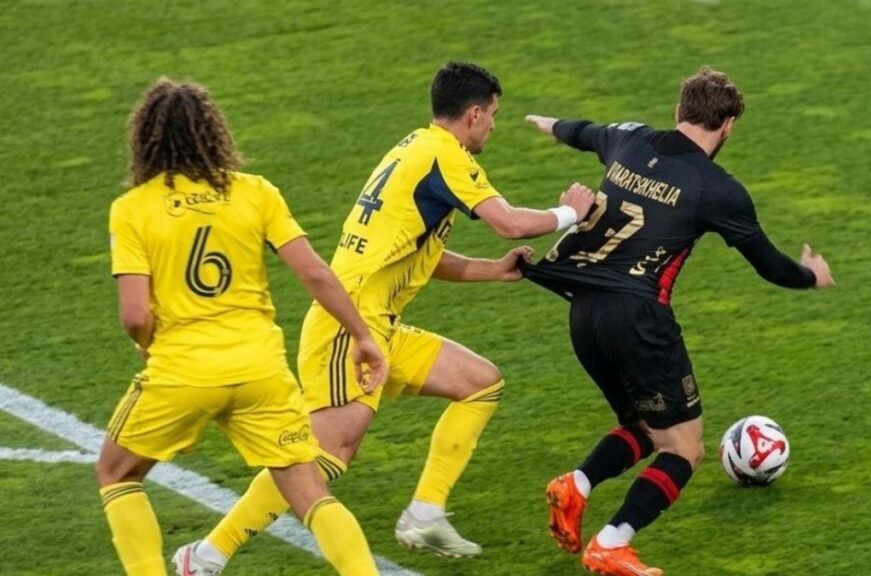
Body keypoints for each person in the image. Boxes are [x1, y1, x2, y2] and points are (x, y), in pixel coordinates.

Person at [174, 61, 596, 573]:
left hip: (377, 325)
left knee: (480, 383)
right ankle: (206, 555)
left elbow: (420, 253)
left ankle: (425, 512)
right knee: (324, 457)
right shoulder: (445, 154)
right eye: (493, 116)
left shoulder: (414, 149)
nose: (493, 126)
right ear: (474, 113)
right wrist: (571, 213)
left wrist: (492, 271)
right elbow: (508, 222)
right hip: (348, 326)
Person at [521, 66, 835, 576]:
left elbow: (583, 131)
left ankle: (576, 485)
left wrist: (547, 123)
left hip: (583, 312)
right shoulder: (718, 189)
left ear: (678, 110)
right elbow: (769, 266)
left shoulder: (630, 139)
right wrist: (811, 276)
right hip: (638, 318)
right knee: (685, 449)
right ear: (728, 126)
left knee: (645, 427)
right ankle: (611, 543)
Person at [95, 77, 389, 576]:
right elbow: (316, 274)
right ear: (214, 132)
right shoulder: (255, 193)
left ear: (145, 139)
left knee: (117, 472)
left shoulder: (133, 209)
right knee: (310, 493)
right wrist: (362, 336)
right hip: (261, 371)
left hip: (183, 372)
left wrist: (147, 345)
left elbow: (135, 315)